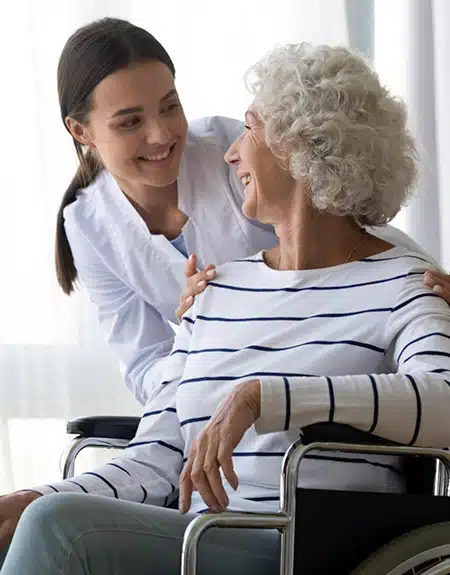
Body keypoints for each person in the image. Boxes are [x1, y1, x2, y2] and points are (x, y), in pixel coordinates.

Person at [3, 41, 450, 575]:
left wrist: (265, 397)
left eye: (250, 130)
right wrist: (34, 497)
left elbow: (444, 401)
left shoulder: (406, 282)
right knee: (27, 523)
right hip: (198, 536)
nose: (230, 152)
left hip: (302, 542)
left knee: (57, 529)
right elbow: (159, 451)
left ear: (304, 147)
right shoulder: (214, 292)